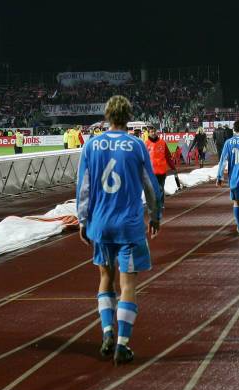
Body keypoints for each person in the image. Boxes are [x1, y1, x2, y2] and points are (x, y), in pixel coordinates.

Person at [76, 95, 163, 365]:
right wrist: (156, 214)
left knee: (105, 278)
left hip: (100, 223)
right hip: (129, 224)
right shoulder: (137, 145)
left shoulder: (91, 145)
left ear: (107, 116)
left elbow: (84, 186)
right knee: (127, 284)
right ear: (128, 116)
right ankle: (123, 345)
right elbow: (151, 186)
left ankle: (107, 332)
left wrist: (82, 220)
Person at [145, 126, 179, 205]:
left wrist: (173, 167)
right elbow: (143, 158)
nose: (153, 133)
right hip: (151, 170)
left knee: (160, 187)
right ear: (148, 133)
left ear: (156, 132)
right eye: (151, 132)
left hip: (161, 170)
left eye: (154, 132)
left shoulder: (162, 143)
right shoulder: (145, 144)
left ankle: (160, 204)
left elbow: (168, 157)